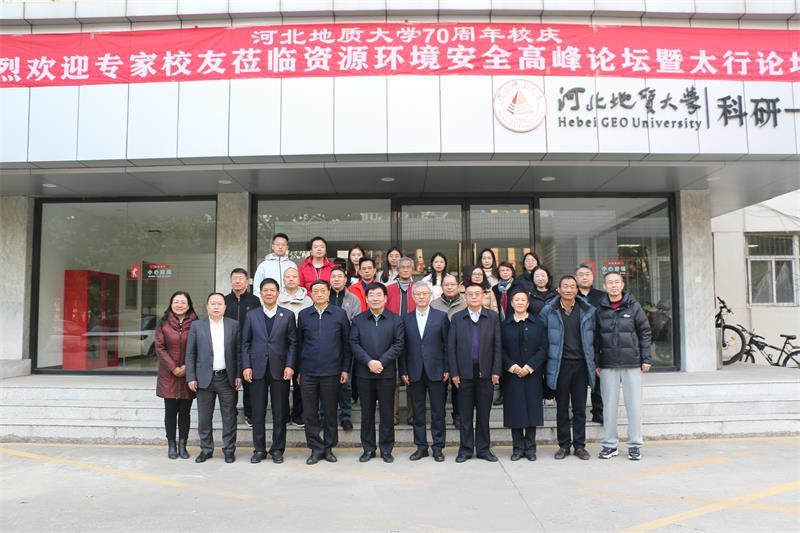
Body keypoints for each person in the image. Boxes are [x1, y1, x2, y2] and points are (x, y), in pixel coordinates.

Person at [596, 272, 653, 461]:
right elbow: (595, 338)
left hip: (632, 363)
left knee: (634, 406)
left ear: (622, 285)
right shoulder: (600, 308)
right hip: (608, 363)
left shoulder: (634, 306)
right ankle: (610, 445)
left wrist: (646, 358)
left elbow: (645, 332)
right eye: (610, 283)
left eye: (616, 282)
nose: (613, 285)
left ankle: (634, 445)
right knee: (609, 407)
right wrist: (596, 362)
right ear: (604, 286)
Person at [539, 276, 597, 461]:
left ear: (577, 290)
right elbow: (541, 339)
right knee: (562, 408)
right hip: (560, 365)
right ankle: (563, 445)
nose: (569, 289)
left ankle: (580, 446)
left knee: (580, 408)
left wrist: (596, 363)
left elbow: (596, 339)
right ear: (558, 289)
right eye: (565, 286)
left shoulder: (588, 310)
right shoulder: (549, 310)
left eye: (572, 286)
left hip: (581, 365)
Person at [240, 278, 297, 464]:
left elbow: (293, 343)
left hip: (280, 369)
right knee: (257, 412)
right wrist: (246, 366)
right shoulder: (252, 315)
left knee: (280, 412)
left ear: (278, 293)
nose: (269, 293)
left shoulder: (287, 315)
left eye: (272, 290)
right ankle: (259, 449)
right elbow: (245, 343)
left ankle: (277, 449)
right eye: (266, 290)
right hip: (256, 369)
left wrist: (290, 365)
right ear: (260, 293)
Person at [296, 280, 352, 465]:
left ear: (329, 293)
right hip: (308, 372)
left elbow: (346, 344)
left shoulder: (339, 314)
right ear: (310, 294)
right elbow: (299, 344)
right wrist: (299, 370)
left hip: (332, 372)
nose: (319, 294)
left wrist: (345, 368)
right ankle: (315, 448)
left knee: (330, 412)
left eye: (322, 290)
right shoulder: (304, 315)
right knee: (310, 413)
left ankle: (328, 448)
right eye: (315, 291)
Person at [349, 283, 404, 463]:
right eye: (371, 295)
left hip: (386, 373)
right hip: (364, 374)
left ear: (385, 298)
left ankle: (386, 449)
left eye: (379, 295)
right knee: (367, 414)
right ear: (366, 299)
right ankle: (368, 449)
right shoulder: (358, 320)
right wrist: (369, 362)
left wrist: (381, 362)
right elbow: (354, 343)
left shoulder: (395, 319)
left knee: (387, 414)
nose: (375, 298)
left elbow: (398, 344)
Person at [448, 282, 502, 463]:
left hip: (486, 373)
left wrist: (496, 370)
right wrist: (454, 373)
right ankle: (465, 450)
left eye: (477, 293)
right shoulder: (457, 318)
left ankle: (484, 449)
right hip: (464, 374)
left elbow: (498, 346)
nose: (473, 296)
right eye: (470, 294)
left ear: (483, 296)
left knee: (483, 415)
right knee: (465, 415)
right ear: (465, 297)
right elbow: (451, 348)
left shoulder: (492, 317)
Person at [185, 293, 242, 464]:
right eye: (213, 304)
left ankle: (229, 450)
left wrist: (238, 375)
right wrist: (191, 376)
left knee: (229, 417)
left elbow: (238, 353)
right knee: (204, 418)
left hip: (226, 378)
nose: (216, 307)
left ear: (225, 307)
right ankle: (206, 449)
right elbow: (190, 353)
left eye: (219, 304)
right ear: (207, 306)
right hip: (204, 379)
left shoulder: (234, 325)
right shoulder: (197, 326)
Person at [400, 283, 450, 462]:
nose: (421, 296)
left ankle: (438, 447)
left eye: (424, 293)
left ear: (430, 296)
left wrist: (447, 368)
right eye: (418, 294)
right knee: (418, 412)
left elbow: (447, 345)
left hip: (437, 370)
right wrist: (403, 370)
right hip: (414, 371)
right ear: (413, 297)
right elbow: (403, 347)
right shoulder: (406, 319)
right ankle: (421, 447)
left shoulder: (441, 317)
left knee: (438, 412)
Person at [501, 290, 547, 461]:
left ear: (528, 304)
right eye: (517, 300)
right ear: (512, 303)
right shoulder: (504, 325)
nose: (520, 302)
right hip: (512, 374)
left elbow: (543, 348)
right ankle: (517, 448)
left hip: (532, 373)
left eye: (523, 300)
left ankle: (530, 448)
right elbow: (500, 349)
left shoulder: (538, 324)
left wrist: (529, 367)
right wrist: (512, 367)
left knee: (532, 410)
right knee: (515, 410)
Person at [155, 291, 198, 460]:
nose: (179, 305)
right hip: (168, 374)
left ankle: (183, 445)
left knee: (185, 412)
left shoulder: (196, 323)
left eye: (183, 302)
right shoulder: (163, 323)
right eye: (176, 302)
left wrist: (187, 367)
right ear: (171, 304)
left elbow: (199, 346)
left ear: (188, 305)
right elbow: (159, 347)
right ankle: (171, 444)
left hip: (188, 373)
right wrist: (173, 368)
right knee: (170, 411)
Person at [224, 267, 261, 427]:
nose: (237, 281)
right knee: (229, 381)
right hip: (229, 346)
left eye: (241, 278)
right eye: (234, 278)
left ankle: (249, 414)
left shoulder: (254, 301)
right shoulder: (225, 300)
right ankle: (231, 412)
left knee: (249, 382)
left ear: (247, 281)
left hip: (249, 346)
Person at [430, 273, 466, 429]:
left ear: (459, 286)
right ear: (441, 287)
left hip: (461, 350)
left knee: (459, 386)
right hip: (440, 350)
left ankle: (458, 415)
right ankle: (440, 417)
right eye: (446, 285)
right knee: (441, 386)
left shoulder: (465, 302)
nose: (450, 287)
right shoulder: (434, 304)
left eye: (452, 284)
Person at [278, 267, 312, 427]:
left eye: (294, 276)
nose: (291, 279)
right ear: (283, 280)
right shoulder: (277, 298)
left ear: (299, 279)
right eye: (288, 276)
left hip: (302, 344)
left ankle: (298, 415)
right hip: (280, 345)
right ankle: (283, 414)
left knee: (300, 381)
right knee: (281, 381)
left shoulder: (308, 300)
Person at [328, 266, 360, 431]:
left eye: (339, 276)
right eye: (333, 276)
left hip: (346, 345)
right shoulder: (323, 296)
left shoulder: (353, 299)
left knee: (345, 383)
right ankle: (325, 416)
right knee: (326, 383)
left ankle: (345, 416)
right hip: (326, 346)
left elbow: (356, 322)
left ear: (345, 279)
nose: (336, 279)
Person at [385, 256, 416, 425]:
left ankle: (413, 416)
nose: (405, 269)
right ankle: (393, 416)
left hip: (413, 337)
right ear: (397, 270)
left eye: (408, 267)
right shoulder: (388, 289)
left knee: (412, 377)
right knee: (393, 378)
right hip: (392, 337)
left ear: (413, 270)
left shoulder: (418, 288)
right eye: (402, 267)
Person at [576, 263, 607, 425]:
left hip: (597, 342)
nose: (584, 277)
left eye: (587, 274)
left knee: (598, 379)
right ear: (576, 278)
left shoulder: (602, 297)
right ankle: (577, 413)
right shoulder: (571, 296)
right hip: (576, 343)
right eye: (581, 275)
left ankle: (598, 412)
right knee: (577, 382)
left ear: (593, 277)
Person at [491, 261, 517, 406]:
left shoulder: (518, 287)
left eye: (507, 270)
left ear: (512, 272)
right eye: (502, 270)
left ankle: (513, 392)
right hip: (499, 326)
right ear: (498, 273)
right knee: (501, 359)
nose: (505, 272)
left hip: (514, 326)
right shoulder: (495, 289)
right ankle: (502, 393)